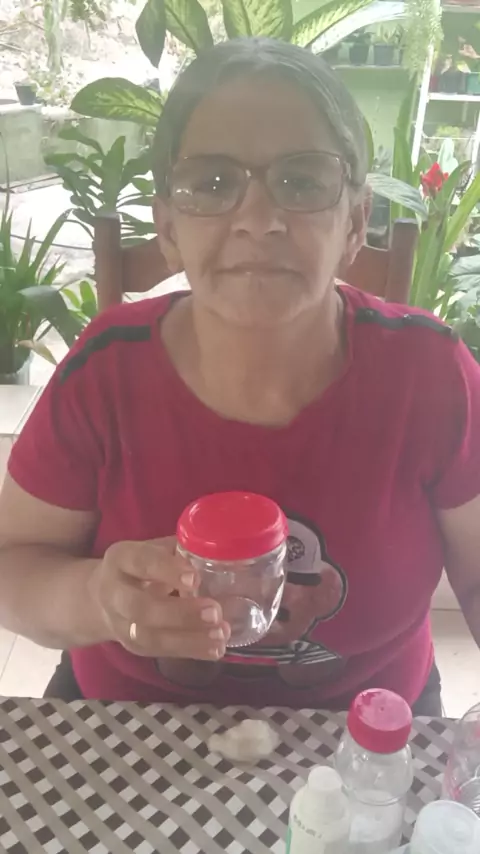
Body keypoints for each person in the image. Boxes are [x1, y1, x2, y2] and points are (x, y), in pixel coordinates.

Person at [0, 38, 479, 713]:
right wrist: (99, 600)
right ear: (168, 228)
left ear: (354, 223)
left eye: (302, 181)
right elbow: (15, 564)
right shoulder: (105, 371)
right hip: (128, 728)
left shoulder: (429, 374)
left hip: (364, 737)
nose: (258, 220)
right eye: (213, 183)